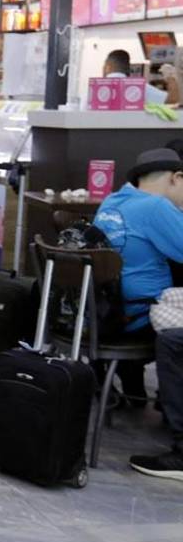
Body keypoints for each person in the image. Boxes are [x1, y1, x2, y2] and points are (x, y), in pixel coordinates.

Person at [93, 149, 183, 481]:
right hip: (136, 318)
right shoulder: (157, 207)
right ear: (176, 178)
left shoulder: (112, 202)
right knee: (175, 332)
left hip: (102, 316)